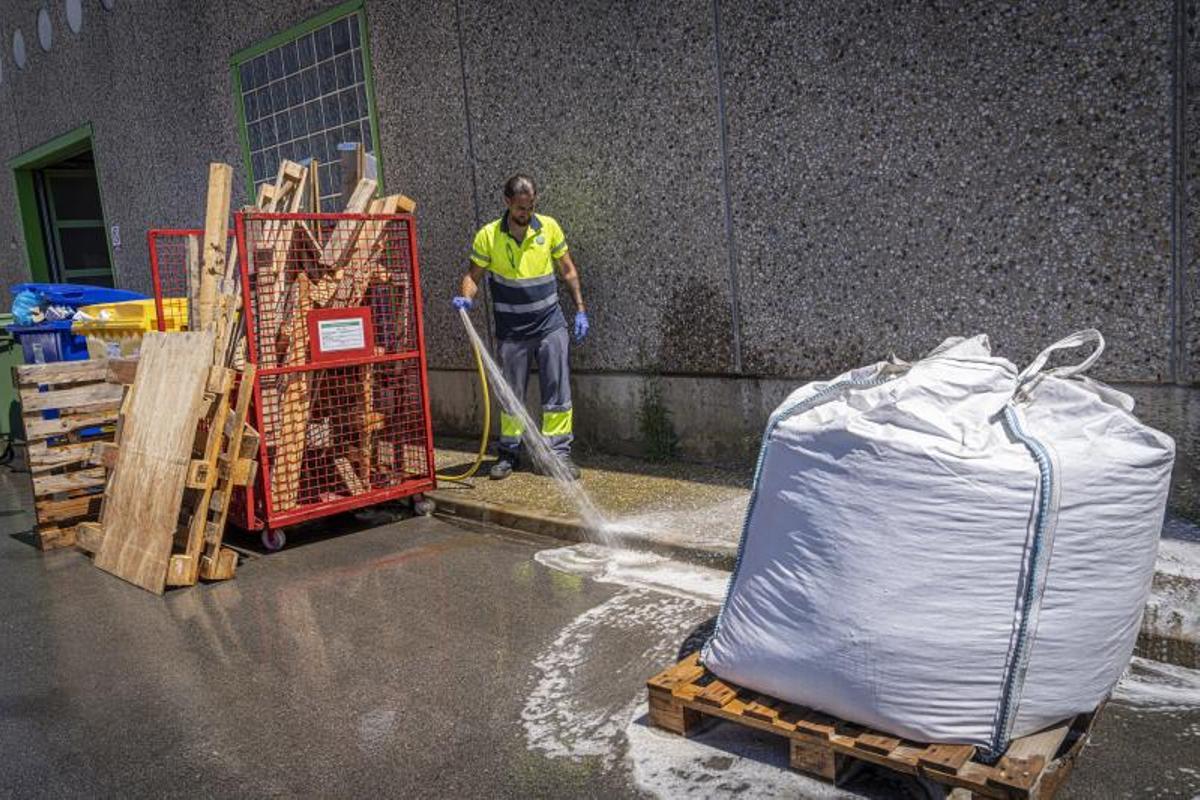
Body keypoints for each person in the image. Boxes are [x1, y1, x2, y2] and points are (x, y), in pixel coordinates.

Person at [452, 174, 589, 480]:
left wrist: (580, 309)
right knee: (511, 394)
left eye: (530, 207)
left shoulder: (549, 227)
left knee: (558, 392)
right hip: (512, 331)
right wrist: (466, 298)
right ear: (507, 203)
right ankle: (509, 454)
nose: (525, 214)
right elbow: (473, 276)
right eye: (520, 209)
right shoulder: (488, 236)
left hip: (550, 325)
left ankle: (559, 454)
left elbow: (567, 270)